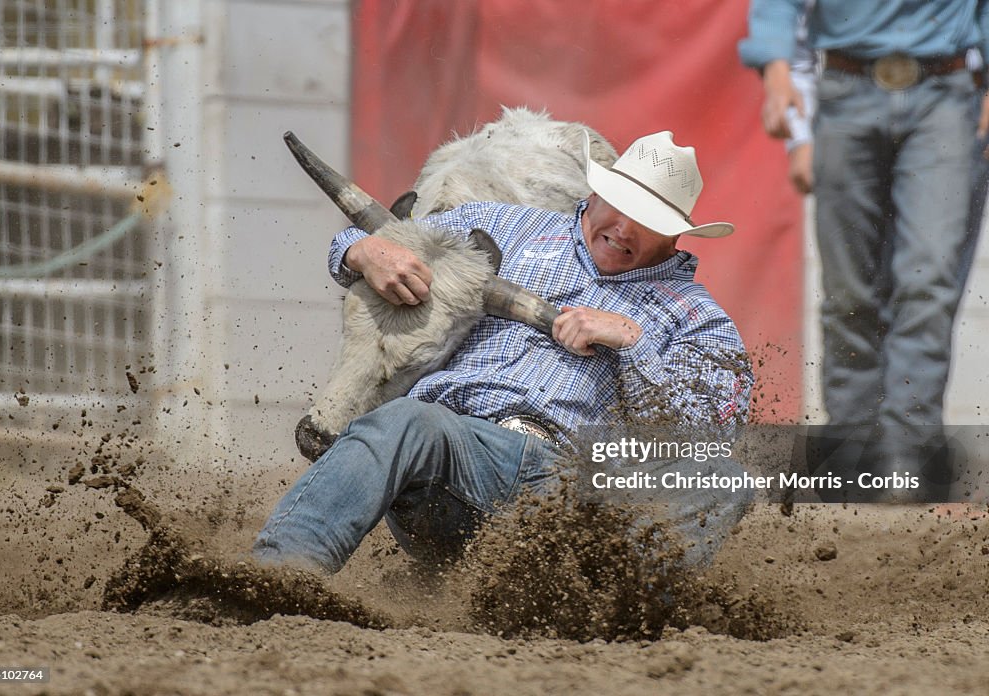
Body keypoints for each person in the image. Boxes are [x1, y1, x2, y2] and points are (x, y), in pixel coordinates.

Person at [254, 131, 754, 573]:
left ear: (677, 235)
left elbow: (704, 433)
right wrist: (361, 253)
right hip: (454, 452)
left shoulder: (698, 319)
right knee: (404, 421)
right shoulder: (503, 226)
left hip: (573, 490)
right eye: (618, 204)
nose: (624, 228)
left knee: (726, 479)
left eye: (647, 219)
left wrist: (634, 343)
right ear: (595, 192)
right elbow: (372, 239)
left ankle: (620, 605)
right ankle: (276, 575)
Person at [740, 0, 989, 501]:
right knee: (847, 287)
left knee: (928, 279)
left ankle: (909, 452)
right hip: (844, 94)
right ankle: (848, 450)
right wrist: (776, 72)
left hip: (946, 96)